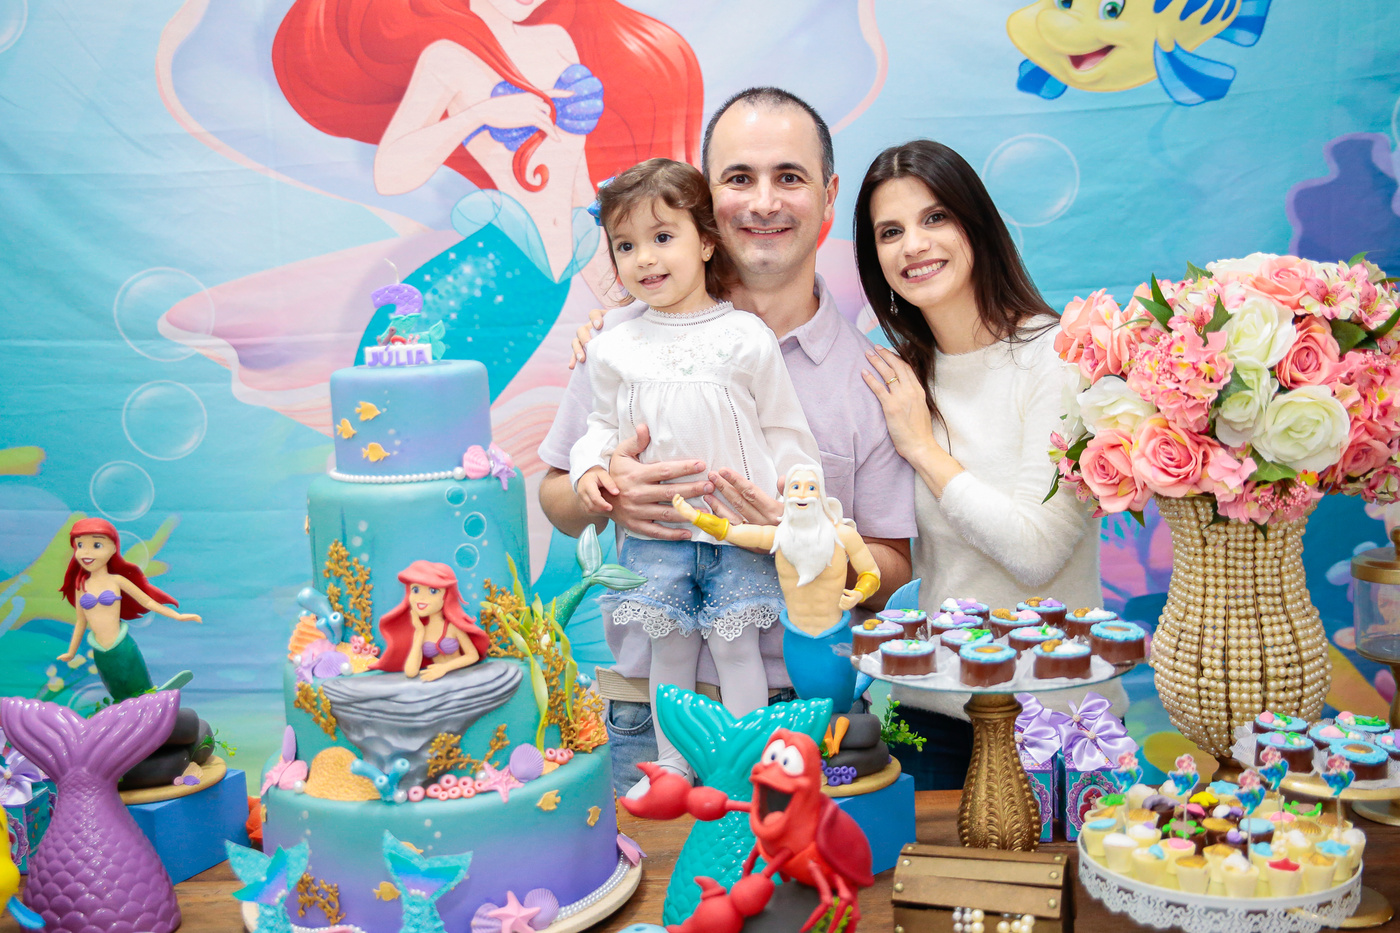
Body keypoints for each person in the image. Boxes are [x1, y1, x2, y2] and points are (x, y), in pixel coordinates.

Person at [537, 88, 916, 794]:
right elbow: (557, 498)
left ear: (829, 196)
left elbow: (893, 574)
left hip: (799, 717)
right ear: (706, 202)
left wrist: (804, 535)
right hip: (643, 715)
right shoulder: (620, 337)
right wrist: (610, 496)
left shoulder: (874, 377)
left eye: (789, 177)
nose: (764, 201)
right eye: (740, 178)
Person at [853, 139, 1124, 788]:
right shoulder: (898, 380)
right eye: (891, 231)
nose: (914, 245)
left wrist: (923, 449)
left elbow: (1036, 551)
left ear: (977, 224)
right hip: (928, 715)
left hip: (1055, 717)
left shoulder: (1057, 357)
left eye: (935, 217)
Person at [573, 157, 824, 791]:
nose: (644, 259)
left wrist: (798, 503)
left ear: (707, 242)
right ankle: (672, 764)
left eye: (663, 237)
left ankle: (742, 766)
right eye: (625, 245)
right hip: (657, 534)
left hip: (737, 530)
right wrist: (589, 471)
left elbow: (783, 427)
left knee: (738, 649)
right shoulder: (613, 346)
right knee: (671, 650)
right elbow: (600, 426)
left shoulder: (745, 335)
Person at [58, 517, 202, 704]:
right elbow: (81, 621)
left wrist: (177, 615)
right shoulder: (81, 586)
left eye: (96, 545)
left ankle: (150, 703)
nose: (86, 552)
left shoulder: (116, 581)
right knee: (117, 691)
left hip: (123, 647)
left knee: (138, 686)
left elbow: (147, 601)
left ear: (113, 548)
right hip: (100, 652)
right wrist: (71, 653)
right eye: (80, 545)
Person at [372, 561, 490, 683]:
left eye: (433, 591)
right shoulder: (422, 631)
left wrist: (444, 668)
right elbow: (411, 672)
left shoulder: (452, 627)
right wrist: (419, 632)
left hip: (459, 678)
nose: (422, 597)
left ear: (446, 596)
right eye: (415, 590)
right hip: (437, 682)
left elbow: (472, 656)